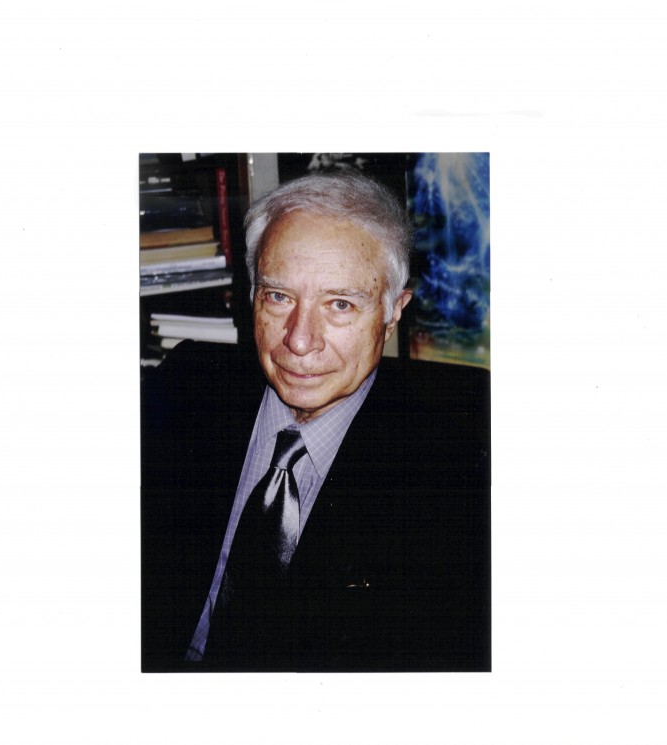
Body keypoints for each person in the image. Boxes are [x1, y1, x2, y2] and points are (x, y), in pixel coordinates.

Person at [141, 171, 490, 672]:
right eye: (278, 297)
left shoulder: (455, 477)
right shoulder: (184, 388)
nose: (299, 341)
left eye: (340, 304)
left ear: (393, 312)